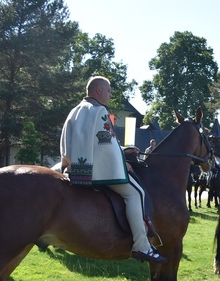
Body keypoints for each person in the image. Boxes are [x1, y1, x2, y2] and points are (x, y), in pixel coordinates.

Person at [60, 76, 167, 263]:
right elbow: (106, 144)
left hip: (75, 169)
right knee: (136, 193)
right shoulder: (99, 110)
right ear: (98, 91)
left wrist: (123, 151)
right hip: (98, 171)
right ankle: (141, 245)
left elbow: (84, 143)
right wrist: (122, 163)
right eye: (108, 91)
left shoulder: (74, 111)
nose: (110, 95)